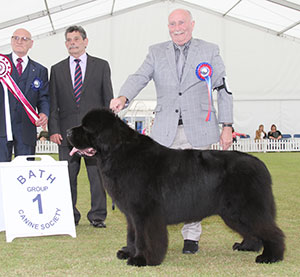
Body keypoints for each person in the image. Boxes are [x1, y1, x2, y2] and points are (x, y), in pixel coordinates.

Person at [110, 9, 233, 254]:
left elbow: (223, 88)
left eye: (182, 23)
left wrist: (227, 125)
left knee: (195, 186)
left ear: (192, 24)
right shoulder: (156, 51)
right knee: (160, 189)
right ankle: (154, 235)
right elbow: (140, 76)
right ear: (168, 27)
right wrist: (124, 96)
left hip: (199, 129)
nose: (177, 28)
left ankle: (191, 237)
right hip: (164, 133)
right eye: (173, 23)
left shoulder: (210, 50)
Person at [48, 25, 113, 227]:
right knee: (67, 177)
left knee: (97, 177)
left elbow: (107, 100)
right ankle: (69, 215)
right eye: (68, 40)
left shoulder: (101, 66)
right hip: (66, 134)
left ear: (85, 41)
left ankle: (97, 216)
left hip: (93, 135)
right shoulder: (56, 69)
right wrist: (54, 130)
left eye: (76, 39)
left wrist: (105, 132)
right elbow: (53, 104)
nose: (72, 43)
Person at [0, 28, 49, 162]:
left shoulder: (41, 70)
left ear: (31, 44)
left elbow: (43, 97)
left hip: (26, 129)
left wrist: (44, 113)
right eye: (16, 38)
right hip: (2, 129)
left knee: (25, 172)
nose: (19, 41)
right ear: (11, 41)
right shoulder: (1, 64)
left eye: (24, 39)